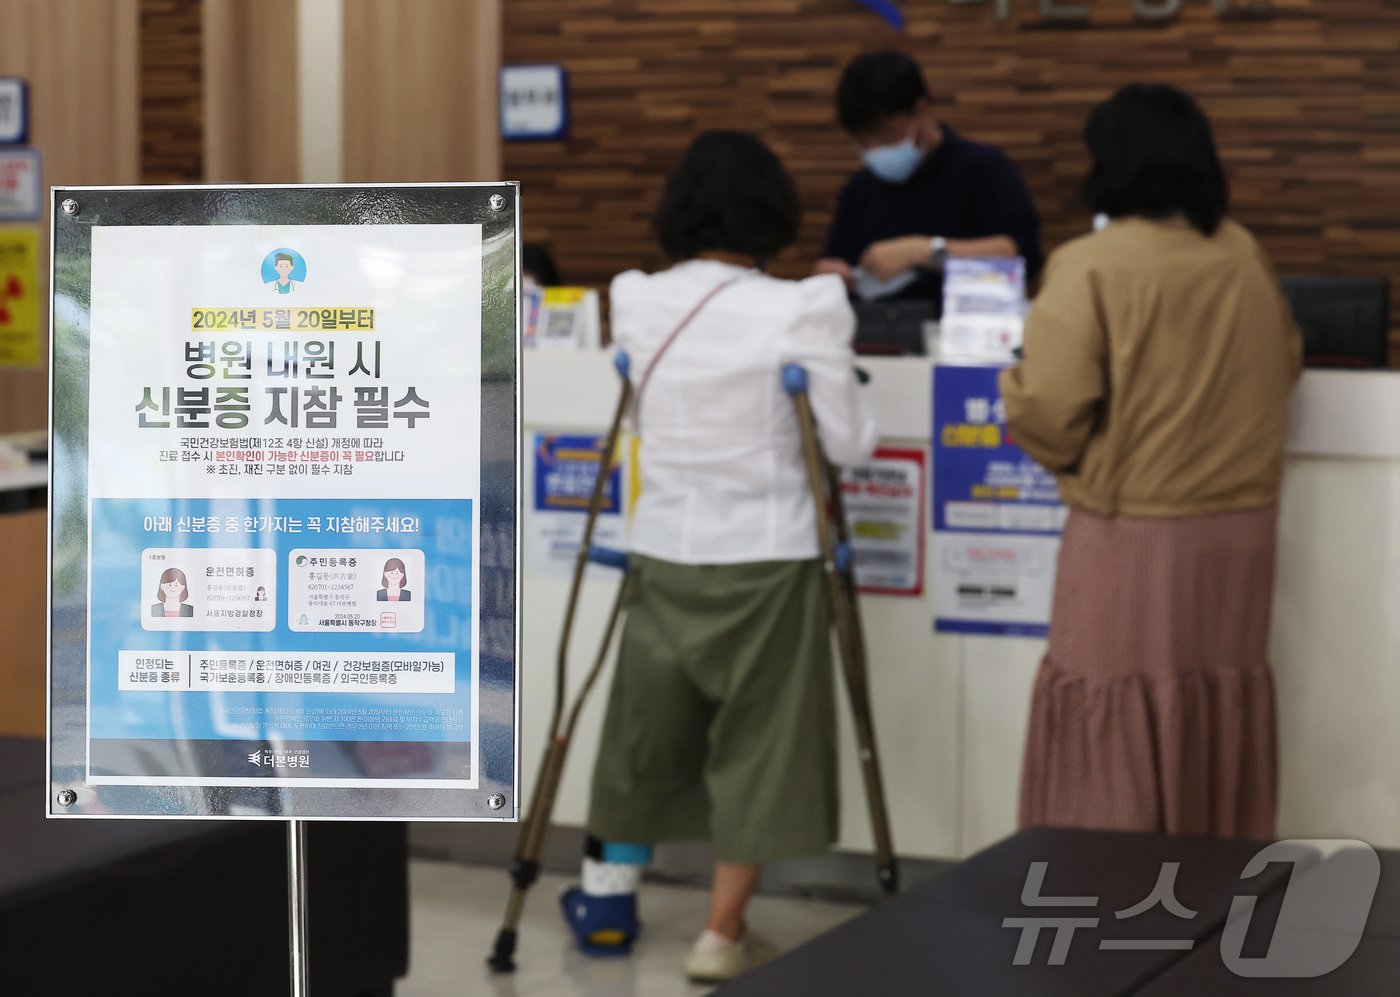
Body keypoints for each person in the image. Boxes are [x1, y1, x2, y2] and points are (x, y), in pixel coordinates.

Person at [562, 130, 877, 984]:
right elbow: (846, 444)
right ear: (772, 212)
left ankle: (608, 900)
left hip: (663, 545)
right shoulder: (804, 307)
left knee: (643, 731)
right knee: (762, 745)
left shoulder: (637, 298)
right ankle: (719, 933)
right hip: (769, 557)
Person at [999, 84, 1302, 840]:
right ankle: (1205, 907)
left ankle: (1111, 923)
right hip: (1240, 538)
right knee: (1210, 715)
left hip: (1135, 540)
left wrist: (1012, 383)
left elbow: (1054, 413)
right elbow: (1286, 361)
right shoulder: (1240, 251)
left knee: (1110, 720)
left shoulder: (1089, 265)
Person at [815, 50, 1042, 311]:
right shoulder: (860, 188)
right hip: (878, 340)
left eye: (886, 132)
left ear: (921, 110)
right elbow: (836, 262)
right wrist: (832, 277)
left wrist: (925, 251)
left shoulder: (984, 168)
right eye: (861, 139)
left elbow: (1022, 255)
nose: (873, 147)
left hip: (969, 335)